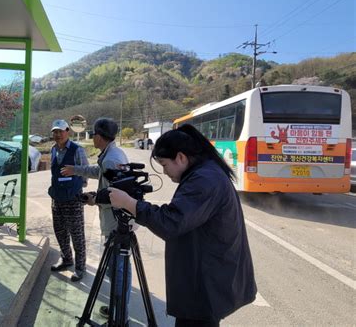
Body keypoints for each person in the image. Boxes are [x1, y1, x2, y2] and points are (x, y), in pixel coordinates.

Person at [108, 124, 257, 327]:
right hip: (204, 277)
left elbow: (171, 222)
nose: (164, 171)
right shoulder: (205, 172)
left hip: (205, 285)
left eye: (164, 164)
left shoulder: (205, 180)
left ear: (180, 157)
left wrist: (129, 203)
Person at [61, 118, 131, 322]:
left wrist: (95, 200)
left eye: (93, 135)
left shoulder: (111, 159)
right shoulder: (111, 154)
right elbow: (97, 171)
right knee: (118, 269)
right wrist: (76, 169)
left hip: (115, 223)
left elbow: (115, 195)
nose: (92, 138)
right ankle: (118, 309)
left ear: (99, 137)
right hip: (118, 221)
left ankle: (119, 317)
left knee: (118, 271)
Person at [48, 119, 89, 282]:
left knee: (77, 234)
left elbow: (85, 171)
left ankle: (80, 268)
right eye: (55, 132)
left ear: (68, 132)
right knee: (60, 231)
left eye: (60, 131)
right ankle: (66, 259)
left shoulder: (77, 150)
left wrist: (78, 187)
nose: (57, 135)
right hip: (57, 198)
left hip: (73, 198)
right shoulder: (53, 149)